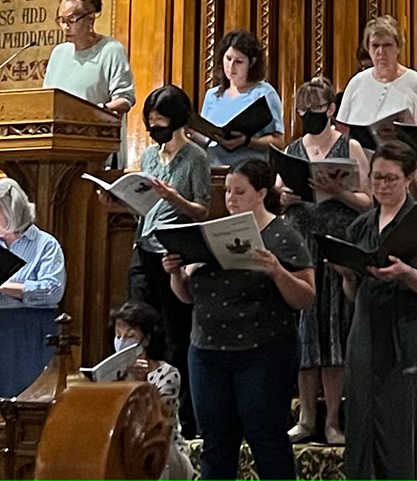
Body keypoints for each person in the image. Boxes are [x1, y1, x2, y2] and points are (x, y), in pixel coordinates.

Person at [163, 159, 315, 480]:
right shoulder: (212, 231)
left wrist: (276, 270)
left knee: (266, 438)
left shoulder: (281, 233)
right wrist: (176, 273)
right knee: (216, 442)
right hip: (207, 351)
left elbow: (306, 296)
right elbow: (188, 295)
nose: (231, 198)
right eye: (228, 190)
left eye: (240, 191)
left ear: (260, 193)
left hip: (262, 350)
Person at [98, 85, 210, 438]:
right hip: (144, 247)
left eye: (160, 120)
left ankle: (181, 416)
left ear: (176, 119)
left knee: (175, 332)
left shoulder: (195, 158)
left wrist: (173, 197)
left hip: (174, 253)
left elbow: (202, 209)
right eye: (150, 121)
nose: (154, 127)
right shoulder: (148, 157)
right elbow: (142, 206)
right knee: (138, 323)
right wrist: (117, 203)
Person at [279, 77, 371, 445]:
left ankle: (333, 419)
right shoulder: (293, 148)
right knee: (306, 331)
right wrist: (284, 197)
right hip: (301, 244)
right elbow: (280, 193)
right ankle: (306, 416)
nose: (308, 117)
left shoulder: (352, 146)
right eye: (302, 112)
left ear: (331, 110)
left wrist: (341, 192)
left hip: (335, 242)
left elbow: (369, 202)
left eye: (314, 111)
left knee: (333, 331)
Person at [0, 178, 66, 469]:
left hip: (31, 334)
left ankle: (31, 470)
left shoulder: (45, 244)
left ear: (13, 207)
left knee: (26, 413)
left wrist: (3, 284)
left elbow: (52, 291)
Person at [331, 141, 417, 479]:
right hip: (365, 330)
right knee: (361, 421)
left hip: (405, 330)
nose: (381, 185)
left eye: (391, 179)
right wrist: (348, 275)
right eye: (376, 177)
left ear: (409, 178)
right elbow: (352, 294)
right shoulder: (362, 226)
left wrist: (406, 273)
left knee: (398, 427)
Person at [43, 0, 135, 165]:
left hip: (97, 149)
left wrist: (96, 111)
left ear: (90, 19)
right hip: (60, 149)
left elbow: (125, 99)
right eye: (61, 20)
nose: (65, 27)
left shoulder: (111, 50)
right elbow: (47, 100)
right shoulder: (59, 53)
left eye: (72, 20)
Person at [110, 301, 194, 480]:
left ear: (146, 339)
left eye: (130, 336)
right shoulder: (110, 373)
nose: (122, 341)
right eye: (118, 335)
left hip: (163, 451)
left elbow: (160, 425)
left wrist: (141, 383)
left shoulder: (167, 374)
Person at [198, 30, 284, 166]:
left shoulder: (265, 93)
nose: (231, 66)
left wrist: (247, 141)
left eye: (239, 61)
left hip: (250, 172)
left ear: (252, 62)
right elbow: (204, 138)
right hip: (214, 169)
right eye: (228, 59)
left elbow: (279, 142)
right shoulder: (212, 95)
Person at [337, 15, 417, 125]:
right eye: (375, 46)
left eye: (387, 45)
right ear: (368, 49)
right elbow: (341, 128)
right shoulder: (356, 82)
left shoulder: (414, 82)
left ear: (398, 47)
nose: (381, 52)